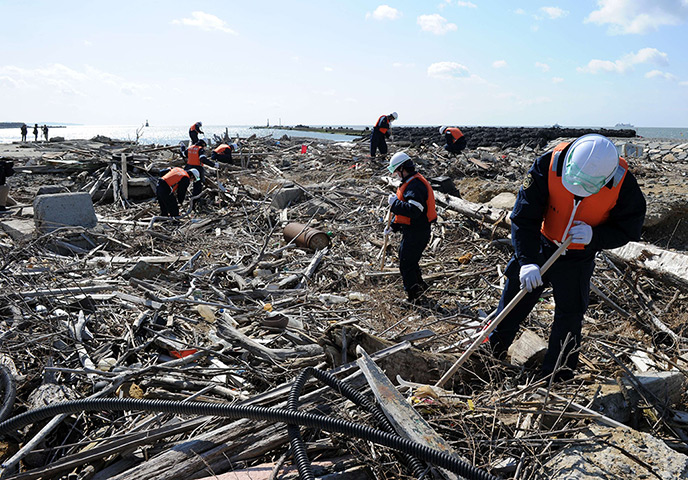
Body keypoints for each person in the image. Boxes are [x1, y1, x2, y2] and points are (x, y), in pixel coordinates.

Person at [488, 134, 646, 381]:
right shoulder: (549, 164)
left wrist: (594, 236)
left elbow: (629, 228)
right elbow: (524, 215)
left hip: (577, 257)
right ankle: (489, 356)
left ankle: (557, 377)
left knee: (569, 316)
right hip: (540, 245)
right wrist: (527, 260)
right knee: (513, 304)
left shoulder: (622, 182)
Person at [384, 151, 437, 304]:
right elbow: (405, 213)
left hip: (418, 232)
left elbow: (414, 211)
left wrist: (395, 204)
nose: (396, 175)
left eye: (396, 172)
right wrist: (393, 226)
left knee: (406, 263)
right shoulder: (410, 181)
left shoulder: (415, 184)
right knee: (409, 261)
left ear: (402, 168)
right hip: (413, 230)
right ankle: (420, 286)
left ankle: (413, 297)